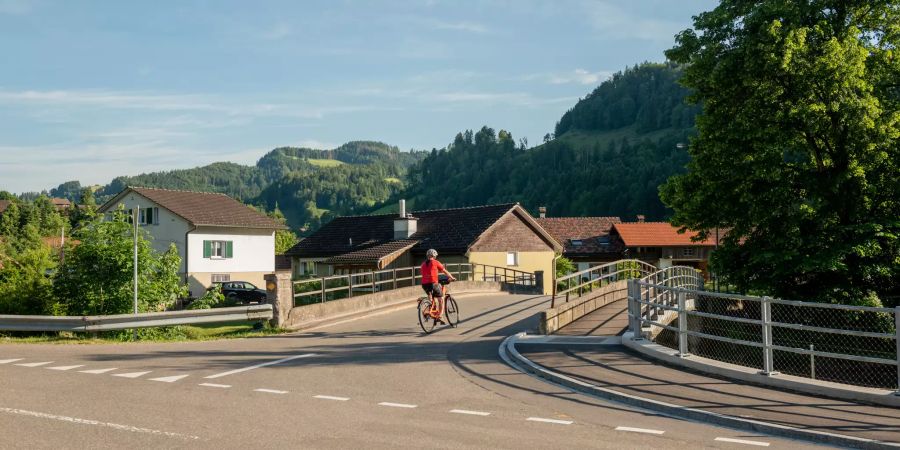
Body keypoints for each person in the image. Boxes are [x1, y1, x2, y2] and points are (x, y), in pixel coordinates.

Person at [421, 248, 455, 324]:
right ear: (434, 256)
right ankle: (440, 316)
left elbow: (426, 274)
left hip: (424, 284)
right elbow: (444, 271)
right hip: (433, 283)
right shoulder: (435, 262)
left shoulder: (423, 264)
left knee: (431, 296)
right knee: (441, 298)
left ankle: (430, 310)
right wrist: (452, 277)